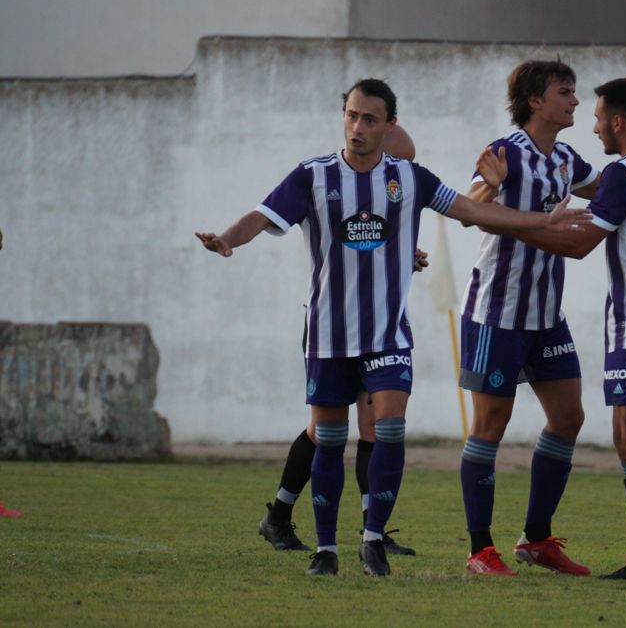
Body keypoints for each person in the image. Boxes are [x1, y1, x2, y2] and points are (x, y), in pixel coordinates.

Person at [197, 78, 589, 578]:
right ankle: (324, 548)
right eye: (351, 116)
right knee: (330, 437)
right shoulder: (313, 176)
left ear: (388, 126)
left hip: (388, 335)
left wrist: (543, 223)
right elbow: (263, 213)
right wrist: (229, 239)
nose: (357, 127)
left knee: (387, 427)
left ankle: (374, 539)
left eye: (369, 119)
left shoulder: (410, 178)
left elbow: (471, 210)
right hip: (330, 333)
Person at [492, 77, 626, 584]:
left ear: (617, 121)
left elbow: (580, 245)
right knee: (624, 438)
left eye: (596, 118)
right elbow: (612, 223)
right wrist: (558, 219)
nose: (592, 127)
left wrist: (507, 222)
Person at [456, 59, 600, 577]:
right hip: (497, 311)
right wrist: (489, 186)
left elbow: (609, 188)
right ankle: (480, 550)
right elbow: (469, 207)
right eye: (566, 92)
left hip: (545, 315)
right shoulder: (506, 153)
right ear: (536, 101)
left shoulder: (564, 157)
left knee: (569, 418)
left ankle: (536, 539)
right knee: (490, 425)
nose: (576, 102)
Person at [258, 127, 421, 558]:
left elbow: (383, 220)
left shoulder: (398, 159)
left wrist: (406, 252)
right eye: (354, 117)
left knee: (373, 425)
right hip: (333, 322)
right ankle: (279, 513)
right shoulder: (340, 166)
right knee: (324, 432)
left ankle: (373, 529)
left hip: (377, 325)